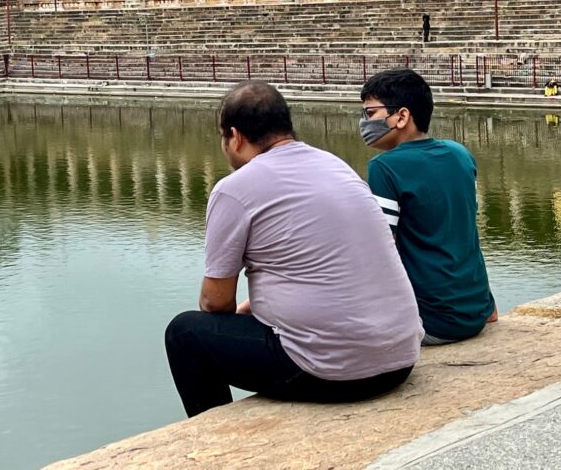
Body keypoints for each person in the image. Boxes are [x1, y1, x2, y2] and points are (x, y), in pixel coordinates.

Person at [165, 81, 422, 418]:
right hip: (399, 359)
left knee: (185, 333)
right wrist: (266, 307)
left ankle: (213, 436)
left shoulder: (235, 189)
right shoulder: (335, 166)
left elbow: (215, 302)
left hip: (335, 373)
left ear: (235, 136)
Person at [359, 68, 497, 345]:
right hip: (476, 312)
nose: (364, 122)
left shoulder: (385, 167)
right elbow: (465, 229)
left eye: (370, 113)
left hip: (432, 321)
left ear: (402, 116)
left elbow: (380, 252)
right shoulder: (460, 153)